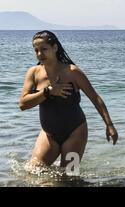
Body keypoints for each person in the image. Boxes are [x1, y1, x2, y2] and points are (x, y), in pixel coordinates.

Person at [18, 31, 118, 170]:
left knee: (69, 178)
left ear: (55, 48)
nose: (39, 54)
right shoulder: (34, 72)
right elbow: (23, 104)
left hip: (75, 132)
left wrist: (109, 125)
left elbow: (95, 98)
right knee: (32, 171)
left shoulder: (72, 72)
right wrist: (48, 91)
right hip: (48, 135)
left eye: (44, 49)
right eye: (36, 50)